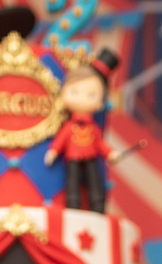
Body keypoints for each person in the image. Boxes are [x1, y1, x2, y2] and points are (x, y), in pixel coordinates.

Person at [43, 48, 120, 213]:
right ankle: (73, 206)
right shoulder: (70, 127)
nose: (82, 99)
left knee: (94, 180)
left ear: (101, 102)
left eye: (92, 95)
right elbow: (61, 140)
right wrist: (53, 151)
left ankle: (97, 206)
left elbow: (100, 143)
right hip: (72, 157)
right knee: (72, 182)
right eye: (74, 92)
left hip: (90, 156)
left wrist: (110, 153)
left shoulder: (93, 128)